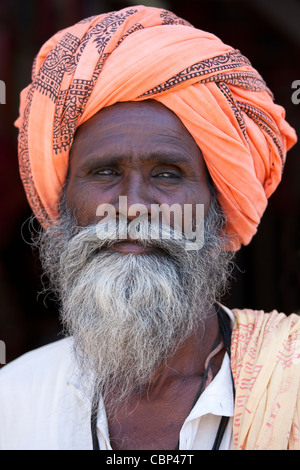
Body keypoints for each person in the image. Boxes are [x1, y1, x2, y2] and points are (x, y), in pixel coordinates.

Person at [0, 5, 299, 451]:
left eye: (167, 174)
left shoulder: (289, 379)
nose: (133, 206)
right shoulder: (13, 402)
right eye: (104, 172)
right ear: (62, 210)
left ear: (219, 210)